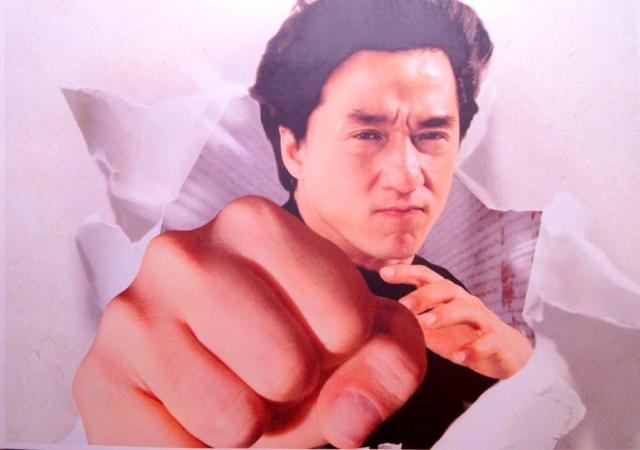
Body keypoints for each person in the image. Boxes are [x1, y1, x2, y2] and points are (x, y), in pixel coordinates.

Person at [73, 0, 533, 448]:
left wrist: (525, 376)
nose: (408, 175)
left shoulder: (463, 316)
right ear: (294, 148)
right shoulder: (209, 292)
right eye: (368, 134)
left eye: (431, 134)